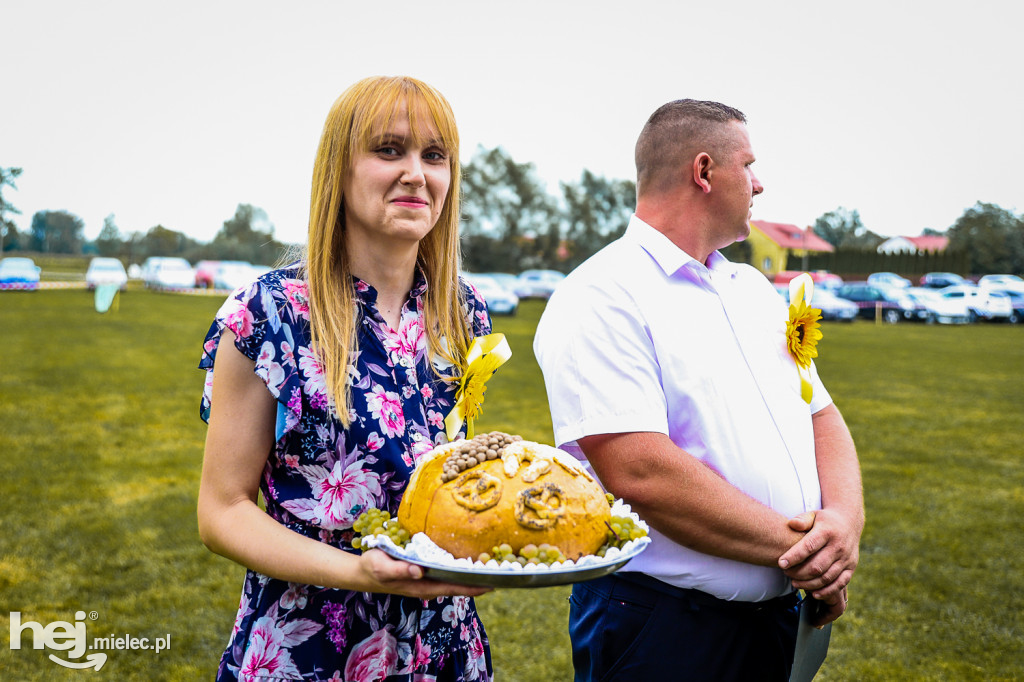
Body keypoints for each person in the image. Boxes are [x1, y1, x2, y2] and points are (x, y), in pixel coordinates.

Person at [533, 99, 864, 681]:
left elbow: (820, 414)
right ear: (704, 171)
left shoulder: (753, 290)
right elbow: (641, 472)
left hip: (777, 619)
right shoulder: (602, 295)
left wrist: (842, 525)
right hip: (663, 627)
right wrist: (810, 555)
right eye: (749, 165)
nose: (760, 183)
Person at [197, 76, 494, 682]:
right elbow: (222, 511)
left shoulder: (463, 312)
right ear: (340, 167)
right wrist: (357, 571)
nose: (416, 172)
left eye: (434, 156)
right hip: (307, 650)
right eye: (390, 150)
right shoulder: (268, 314)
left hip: (445, 650)